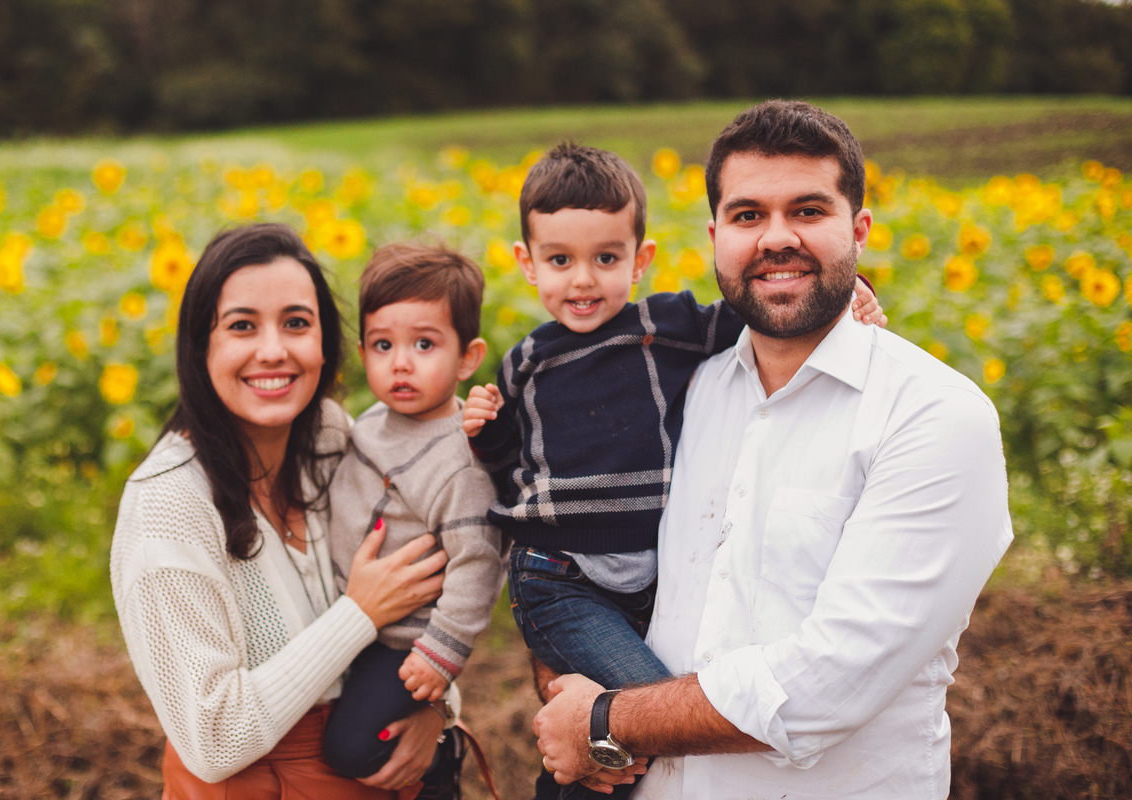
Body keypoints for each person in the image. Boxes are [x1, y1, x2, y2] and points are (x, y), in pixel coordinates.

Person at [532, 101, 1014, 799]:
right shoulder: (689, 393)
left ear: (860, 229)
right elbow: (588, 553)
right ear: (715, 235)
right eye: (749, 215)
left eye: (809, 211)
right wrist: (556, 679)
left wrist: (605, 720)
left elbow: (826, 686)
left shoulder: (935, 416)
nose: (776, 238)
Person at [461, 144, 884, 800]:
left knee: (622, 729)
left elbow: (767, 307)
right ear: (527, 262)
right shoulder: (523, 362)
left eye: (606, 258)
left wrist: (851, 292)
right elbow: (513, 466)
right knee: (651, 713)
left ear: (641, 260)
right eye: (559, 261)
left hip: (648, 576)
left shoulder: (668, 327)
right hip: (561, 577)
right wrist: (485, 432)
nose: (582, 281)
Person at [110, 223, 453, 800]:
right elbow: (213, 740)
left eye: (296, 323)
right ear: (201, 346)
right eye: (242, 326)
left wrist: (436, 705)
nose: (274, 350)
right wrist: (358, 613)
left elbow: (423, 593)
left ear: (326, 342)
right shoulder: (167, 505)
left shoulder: (333, 439)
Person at [321, 242, 506, 785]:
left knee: (350, 750)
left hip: (407, 643)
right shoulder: (373, 420)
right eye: (383, 345)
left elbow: (479, 563)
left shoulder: (459, 463)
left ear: (468, 358)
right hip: (356, 621)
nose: (400, 362)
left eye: (424, 344)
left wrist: (441, 654)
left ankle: (438, 774)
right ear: (363, 352)